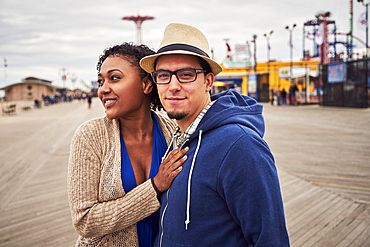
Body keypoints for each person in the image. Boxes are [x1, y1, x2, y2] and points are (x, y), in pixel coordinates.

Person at [140, 23, 290, 246]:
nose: (172, 86)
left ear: (208, 81)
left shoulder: (241, 145)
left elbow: (269, 238)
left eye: (186, 75)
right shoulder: (179, 135)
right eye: (163, 75)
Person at [68, 42, 189, 247]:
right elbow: (85, 221)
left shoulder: (174, 132)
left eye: (114, 78)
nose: (103, 90)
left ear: (146, 85)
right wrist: (155, 186)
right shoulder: (91, 136)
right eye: (100, 81)